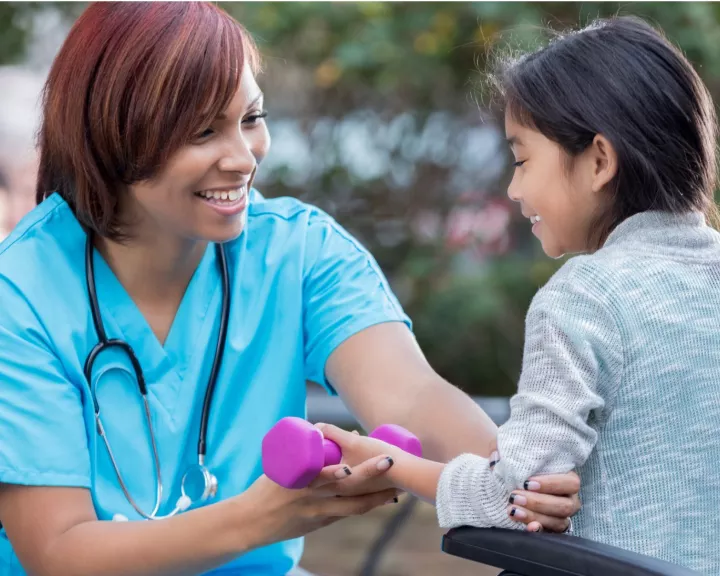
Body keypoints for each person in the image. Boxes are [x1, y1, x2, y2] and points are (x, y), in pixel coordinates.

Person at [0, 3, 580, 576]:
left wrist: (519, 481)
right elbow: (59, 553)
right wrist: (261, 518)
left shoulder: (298, 252)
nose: (242, 157)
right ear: (113, 136)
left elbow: (411, 398)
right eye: (203, 131)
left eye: (251, 119)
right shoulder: (20, 293)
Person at [318, 16, 720, 574]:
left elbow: (510, 501)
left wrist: (388, 464)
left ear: (599, 160)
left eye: (522, 159)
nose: (513, 189)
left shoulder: (587, 295)